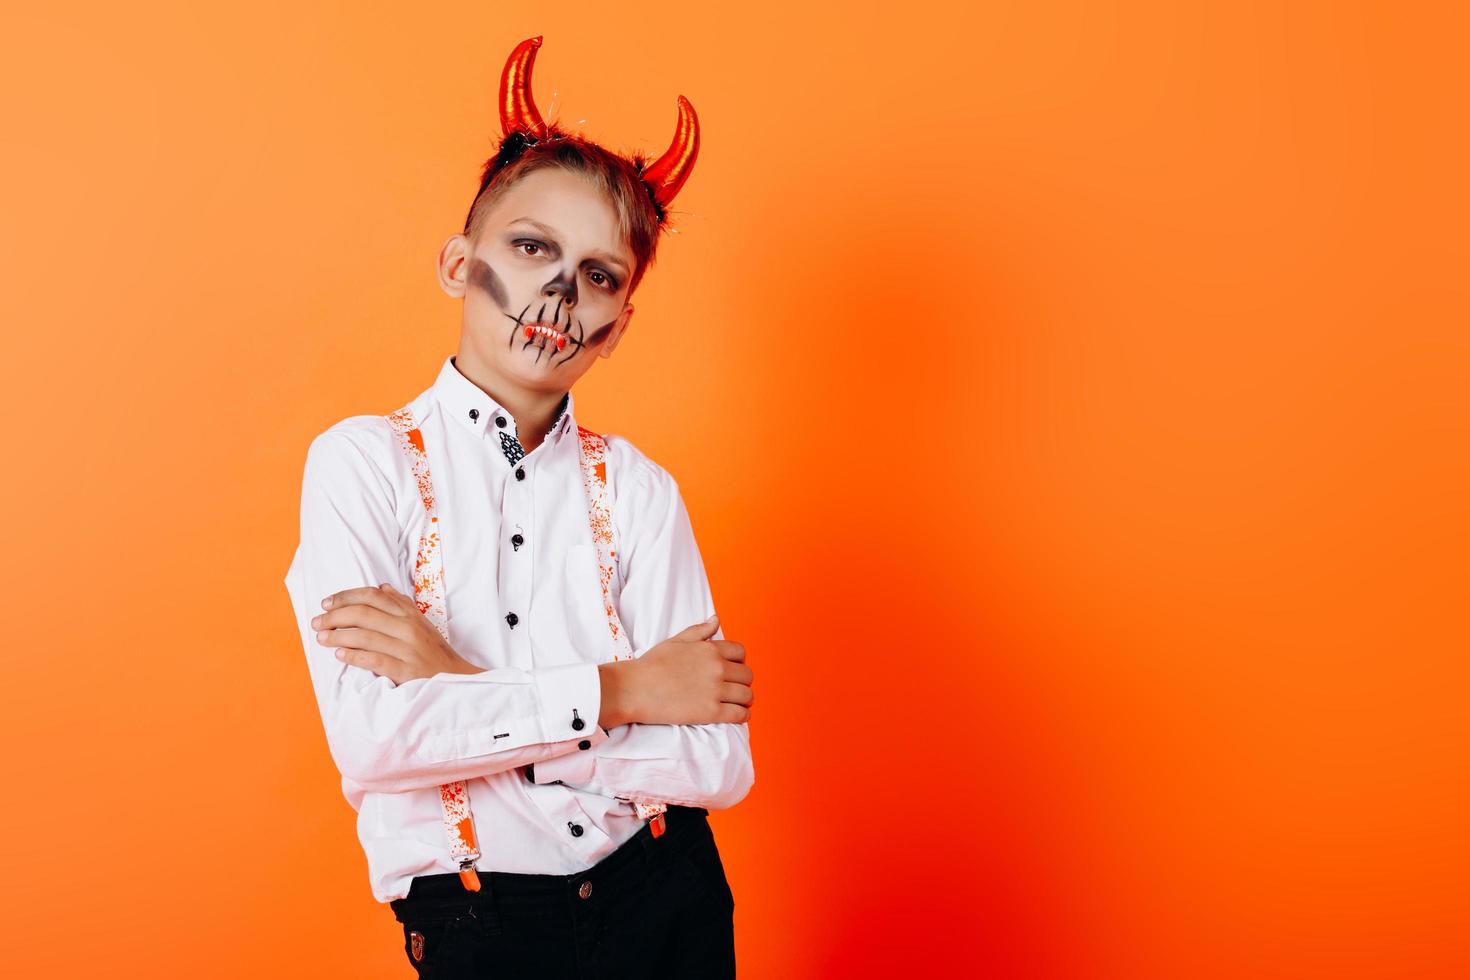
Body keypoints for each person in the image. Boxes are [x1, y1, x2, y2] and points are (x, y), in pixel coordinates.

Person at [282, 35, 754, 978]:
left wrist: (455, 679)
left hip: (668, 898)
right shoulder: (361, 465)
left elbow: (714, 766)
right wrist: (622, 693)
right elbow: (378, 741)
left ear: (619, 325)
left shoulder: (641, 492)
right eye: (532, 247)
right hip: (484, 928)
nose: (558, 293)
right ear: (460, 263)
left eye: (600, 274)